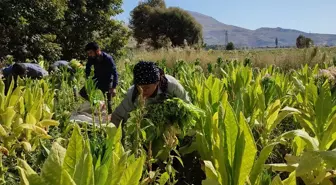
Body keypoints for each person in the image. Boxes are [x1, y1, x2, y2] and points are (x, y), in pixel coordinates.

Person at [111, 61, 190, 127]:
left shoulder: (172, 86)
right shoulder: (133, 94)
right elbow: (118, 116)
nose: (142, 91)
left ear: (157, 83)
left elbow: (187, 107)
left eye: (146, 88)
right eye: (139, 88)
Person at [79, 42, 118, 115]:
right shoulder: (91, 58)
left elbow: (114, 72)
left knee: (108, 103)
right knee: (83, 93)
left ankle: (110, 119)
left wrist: (114, 87)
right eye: (88, 53)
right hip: (97, 79)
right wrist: (88, 79)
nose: (89, 55)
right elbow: (88, 68)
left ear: (97, 50)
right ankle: (97, 104)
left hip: (107, 81)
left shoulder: (108, 58)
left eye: (91, 52)